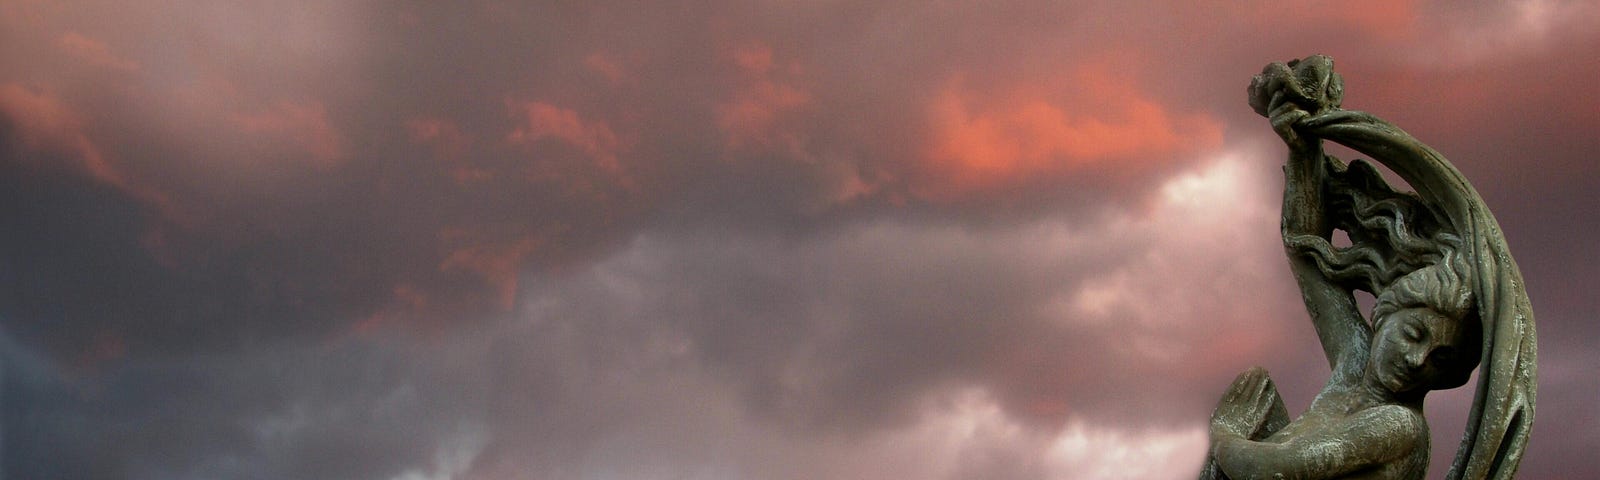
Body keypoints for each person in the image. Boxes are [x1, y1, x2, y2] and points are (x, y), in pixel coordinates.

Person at [1200, 55, 1535, 480]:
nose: (1418, 359)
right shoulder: (1354, 363)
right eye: (1414, 333)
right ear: (1388, 310)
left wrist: (1226, 437)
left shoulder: (1398, 426)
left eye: (1439, 361)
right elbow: (1306, 254)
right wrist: (1304, 148)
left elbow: (1274, 469)